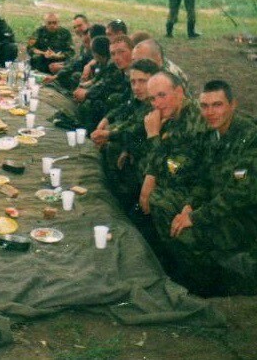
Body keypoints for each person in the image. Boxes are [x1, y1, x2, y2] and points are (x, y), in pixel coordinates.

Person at [162, 80, 257, 296]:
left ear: (233, 105)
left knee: (188, 234)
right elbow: (205, 178)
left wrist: (197, 217)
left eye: (217, 105)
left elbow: (240, 196)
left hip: (254, 216)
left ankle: (208, 288)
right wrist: (189, 207)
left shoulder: (253, 142)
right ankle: (196, 276)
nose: (210, 112)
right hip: (224, 205)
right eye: (204, 106)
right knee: (170, 213)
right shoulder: (215, 134)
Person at [137, 72, 210, 264]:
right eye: (153, 98)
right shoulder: (172, 115)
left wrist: (153, 136)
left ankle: (181, 262)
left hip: (202, 185)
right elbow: (160, 160)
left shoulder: (193, 119)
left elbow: (175, 171)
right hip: (191, 178)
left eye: (162, 95)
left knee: (158, 199)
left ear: (179, 91)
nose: (157, 103)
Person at [91, 58, 160, 213]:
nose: (136, 87)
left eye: (142, 81)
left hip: (158, 159)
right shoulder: (141, 99)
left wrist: (109, 135)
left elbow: (137, 129)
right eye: (133, 82)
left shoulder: (157, 103)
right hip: (144, 148)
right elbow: (130, 120)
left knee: (118, 149)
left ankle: (126, 205)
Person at [74, 35, 133, 131]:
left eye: (121, 52)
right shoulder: (123, 70)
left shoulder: (139, 73)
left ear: (133, 51)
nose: (117, 58)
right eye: (113, 54)